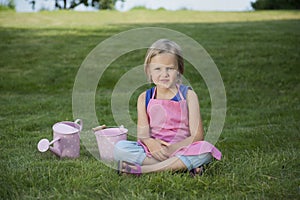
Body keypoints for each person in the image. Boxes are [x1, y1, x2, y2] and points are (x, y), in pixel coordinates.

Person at [114, 39, 221, 176]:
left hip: (183, 148)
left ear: (179, 71)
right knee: (120, 148)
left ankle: (145, 169)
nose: (164, 74)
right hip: (153, 150)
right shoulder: (144, 98)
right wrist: (151, 144)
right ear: (149, 71)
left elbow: (197, 136)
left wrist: (170, 150)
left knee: (205, 151)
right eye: (157, 69)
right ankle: (183, 166)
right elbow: (143, 134)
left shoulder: (189, 96)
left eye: (169, 68)